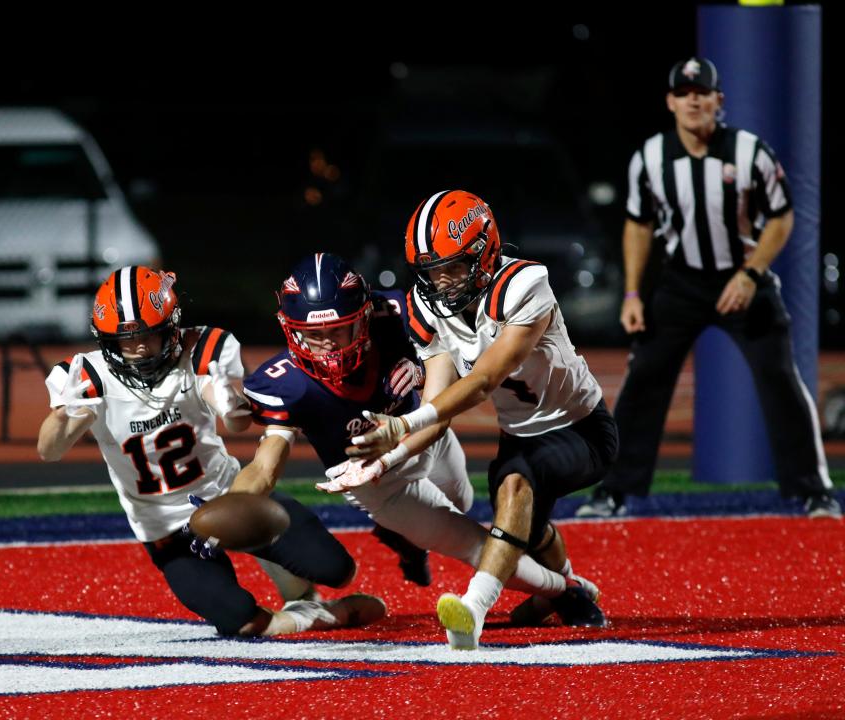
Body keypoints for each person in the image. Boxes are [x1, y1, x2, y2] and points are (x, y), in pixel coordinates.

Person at [37, 265, 385, 637]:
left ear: (171, 327)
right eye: (125, 340)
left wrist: (231, 403)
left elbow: (233, 420)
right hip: (167, 529)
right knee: (242, 621)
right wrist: (62, 418)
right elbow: (49, 451)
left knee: (337, 569)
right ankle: (315, 613)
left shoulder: (198, 349)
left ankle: (291, 581)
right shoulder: (87, 377)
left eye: (149, 336)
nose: (138, 348)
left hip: (231, 498)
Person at [236, 252, 585, 620]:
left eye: (338, 329)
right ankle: (567, 591)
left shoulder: (399, 313)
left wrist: (424, 368)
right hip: (379, 481)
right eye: (314, 335)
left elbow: (460, 352)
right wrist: (227, 509)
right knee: (477, 545)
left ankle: (406, 542)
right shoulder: (285, 383)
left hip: (425, 436)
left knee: (463, 498)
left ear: (365, 316)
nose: (328, 346)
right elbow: (264, 466)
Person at [349, 191, 618, 649]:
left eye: (452, 266)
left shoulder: (525, 282)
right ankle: (571, 592)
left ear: (485, 251)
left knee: (517, 487)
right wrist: (385, 457)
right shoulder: (427, 305)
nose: (442, 282)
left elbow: (485, 380)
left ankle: (472, 610)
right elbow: (436, 408)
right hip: (520, 437)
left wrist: (403, 425)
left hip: (579, 427)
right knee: (525, 531)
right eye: (431, 271)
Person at [575, 57, 840, 520]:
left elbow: (781, 215)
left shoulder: (749, 151)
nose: (694, 100)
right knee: (644, 379)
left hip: (743, 277)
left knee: (780, 377)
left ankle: (813, 489)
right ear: (671, 102)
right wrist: (634, 294)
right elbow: (638, 226)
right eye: (685, 93)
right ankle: (614, 492)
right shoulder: (652, 157)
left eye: (703, 92)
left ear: (719, 100)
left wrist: (751, 273)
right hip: (681, 282)